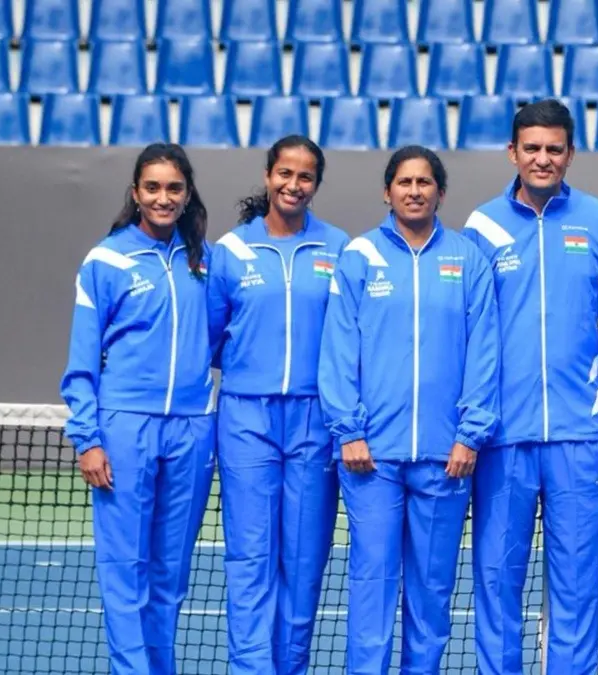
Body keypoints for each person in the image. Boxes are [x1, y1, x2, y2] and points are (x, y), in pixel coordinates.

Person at [318, 145, 500, 674]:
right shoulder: (359, 257)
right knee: (372, 589)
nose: (414, 191)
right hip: (369, 460)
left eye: (425, 182)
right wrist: (348, 431)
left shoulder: (468, 259)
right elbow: (338, 351)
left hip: (448, 460)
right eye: (404, 182)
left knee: (431, 596)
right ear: (387, 190)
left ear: (440, 192)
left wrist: (470, 435)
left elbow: (484, 352)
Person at [461, 99, 598, 675]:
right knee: (497, 584)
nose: (543, 158)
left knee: (578, 591)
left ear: (570, 154)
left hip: (580, 438)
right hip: (502, 439)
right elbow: (468, 331)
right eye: (531, 147)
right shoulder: (480, 226)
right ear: (512, 152)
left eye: (554, 148)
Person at [60, 143, 216, 675]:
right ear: (135, 192)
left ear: (187, 193)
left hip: (193, 432)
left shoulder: (204, 261)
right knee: (125, 570)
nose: (163, 197)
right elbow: (82, 361)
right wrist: (89, 438)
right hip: (125, 429)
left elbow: (220, 338)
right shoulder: (105, 261)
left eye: (174, 188)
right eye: (152, 187)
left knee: (170, 573)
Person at [207, 135, 350, 675]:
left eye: (306, 176)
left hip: (317, 423)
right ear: (268, 176)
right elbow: (214, 335)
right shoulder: (231, 251)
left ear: (316, 184)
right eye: (285, 174)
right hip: (246, 420)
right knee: (250, 562)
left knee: (304, 563)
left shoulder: (339, 248)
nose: (294, 185)